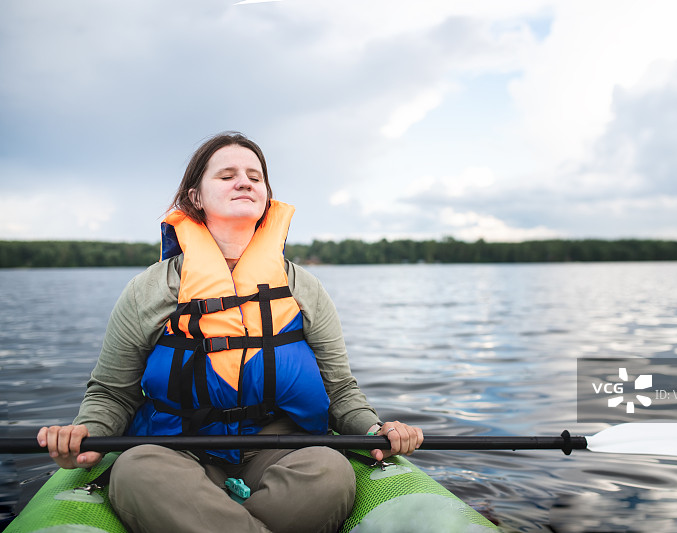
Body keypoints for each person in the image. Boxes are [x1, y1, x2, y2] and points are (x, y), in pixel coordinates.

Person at [37, 131, 423, 533]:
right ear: (195, 197)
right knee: (136, 469)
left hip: (279, 448)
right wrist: (90, 434)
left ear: (266, 196)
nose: (244, 182)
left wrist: (375, 430)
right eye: (227, 175)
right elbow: (113, 392)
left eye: (255, 177)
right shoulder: (147, 291)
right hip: (179, 451)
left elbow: (340, 390)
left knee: (328, 469)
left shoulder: (304, 288)